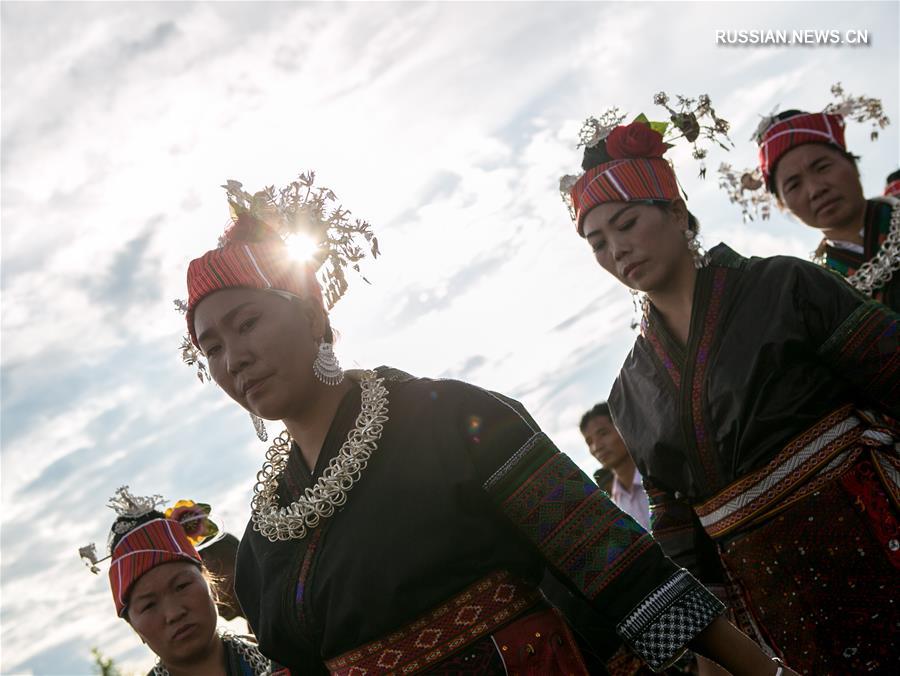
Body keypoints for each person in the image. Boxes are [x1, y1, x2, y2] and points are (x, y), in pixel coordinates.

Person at [178, 175, 793, 675]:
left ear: (313, 314)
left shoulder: (451, 419)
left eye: (247, 323)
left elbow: (618, 566)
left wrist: (761, 672)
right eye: (211, 347)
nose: (233, 357)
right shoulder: (264, 544)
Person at [563, 112, 900, 674]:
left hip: (876, 537)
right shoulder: (629, 391)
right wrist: (717, 654)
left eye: (626, 224)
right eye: (598, 242)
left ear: (675, 213)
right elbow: (675, 529)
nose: (616, 249)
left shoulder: (787, 285)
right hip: (773, 600)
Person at [79, 488, 281, 676]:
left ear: (209, 582)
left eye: (182, 586)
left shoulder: (285, 659)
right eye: (149, 605)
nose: (174, 613)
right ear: (133, 626)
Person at [754, 108, 899, 309]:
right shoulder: (815, 293)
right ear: (782, 205)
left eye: (822, 167)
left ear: (851, 162)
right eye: (794, 185)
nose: (815, 190)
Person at [580, 402, 650, 530]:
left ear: (623, 427)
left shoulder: (659, 477)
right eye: (589, 442)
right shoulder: (614, 508)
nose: (597, 447)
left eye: (603, 433)